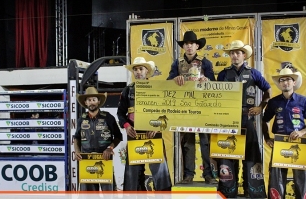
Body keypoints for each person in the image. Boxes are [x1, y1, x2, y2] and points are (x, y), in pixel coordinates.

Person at [217, 40, 270, 198]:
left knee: (251, 155)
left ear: (244, 55)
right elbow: (214, 96)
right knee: (228, 154)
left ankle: (252, 191)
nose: (234, 56)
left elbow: (268, 90)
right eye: (232, 53)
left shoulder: (254, 73)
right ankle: (228, 192)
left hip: (248, 117)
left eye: (238, 53)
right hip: (227, 119)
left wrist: (261, 106)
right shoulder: (223, 74)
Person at [167, 31, 217, 184]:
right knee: (187, 142)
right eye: (186, 44)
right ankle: (188, 174)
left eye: (192, 43)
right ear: (183, 46)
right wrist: (175, 78)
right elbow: (168, 82)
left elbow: (214, 84)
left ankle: (208, 174)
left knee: (205, 141)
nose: (189, 46)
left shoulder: (206, 63)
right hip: (184, 108)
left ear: (197, 46)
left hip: (203, 107)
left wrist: (206, 79)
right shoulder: (177, 63)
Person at [262, 67, 306, 199]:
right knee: (276, 178)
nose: (285, 82)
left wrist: (301, 132)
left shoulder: (304, 101)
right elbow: (264, 121)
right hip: (279, 143)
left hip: (299, 143)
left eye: (288, 79)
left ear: (294, 82)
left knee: (303, 179)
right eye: (282, 80)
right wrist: (266, 137)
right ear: (279, 83)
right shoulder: (273, 102)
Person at [117, 57, 172, 191]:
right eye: (135, 69)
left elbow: (165, 112)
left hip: (153, 134)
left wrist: (157, 126)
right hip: (134, 134)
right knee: (133, 174)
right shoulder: (127, 90)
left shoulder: (157, 89)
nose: (138, 72)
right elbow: (120, 113)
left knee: (159, 170)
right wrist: (127, 126)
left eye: (141, 69)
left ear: (147, 71)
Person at [73, 86, 123, 191]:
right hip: (86, 160)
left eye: (94, 100)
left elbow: (118, 136)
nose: (91, 102)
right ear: (85, 103)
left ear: (98, 101)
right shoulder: (81, 119)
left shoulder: (108, 117)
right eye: (89, 100)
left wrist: (110, 148)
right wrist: (77, 151)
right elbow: (76, 137)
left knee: (109, 193)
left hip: (104, 158)